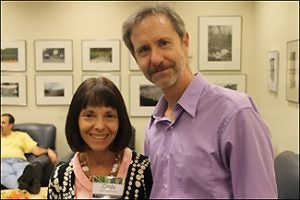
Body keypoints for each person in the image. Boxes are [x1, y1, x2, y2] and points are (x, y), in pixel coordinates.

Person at [122, 4, 278, 199]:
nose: (156, 58)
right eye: (144, 50)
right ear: (135, 58)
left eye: (163, 43)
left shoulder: (236, 113)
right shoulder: (154, 125)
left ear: (185, 42)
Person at [47, 77, 153, 199]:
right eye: (89, 115)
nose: (100, 126)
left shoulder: (144, 171)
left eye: (109, 116)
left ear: (120, 120)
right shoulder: (60, 177)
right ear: (75, 120)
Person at [1, 113, 58, 194]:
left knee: (24, 170)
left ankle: (25, 182)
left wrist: (48, 151)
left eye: (3, 123)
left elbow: (36, 150)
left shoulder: (21, 136)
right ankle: (28, 186)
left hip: (19, 161)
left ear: (11, 125)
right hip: (2, 162)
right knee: (5, 174)